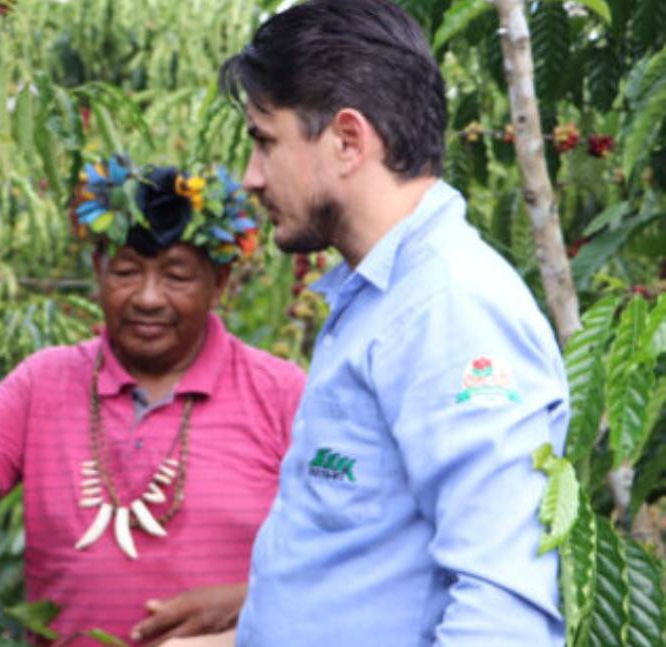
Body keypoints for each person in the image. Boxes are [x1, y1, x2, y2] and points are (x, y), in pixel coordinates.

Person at [217, 0, 570, 644]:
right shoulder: (382, 299)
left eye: (266, 142)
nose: (252, 177)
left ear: (348, 140)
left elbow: (503, 614)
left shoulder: (450, 309)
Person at [0, 159, 305, 646]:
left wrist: (250, 599)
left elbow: (354, 560)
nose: (149, 298)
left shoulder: (283, 395)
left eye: (177, 276)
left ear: (219, 284)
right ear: (98, 271)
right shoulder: (43, 384)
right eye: (126, 272)